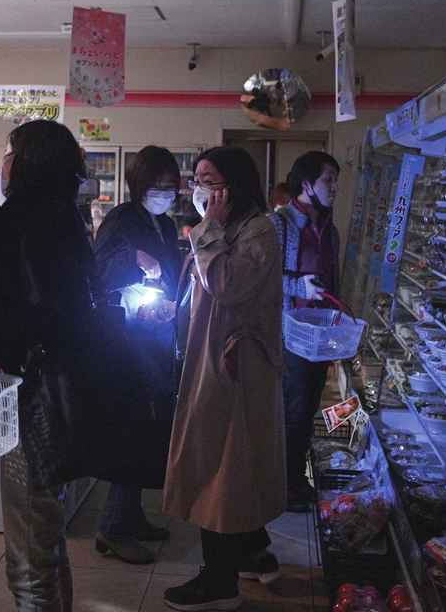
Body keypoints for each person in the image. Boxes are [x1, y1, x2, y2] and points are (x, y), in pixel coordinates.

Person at [0, 120, 93, 612]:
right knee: (42, 535)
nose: (3, 161)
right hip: (43, 387)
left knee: (30, 547)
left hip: (34, 393)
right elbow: (4, 235)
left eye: (8, 152)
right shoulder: (46, 211)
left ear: (29, 161)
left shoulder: (43, 217)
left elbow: (51, 311)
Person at [162, 146, 287, 611]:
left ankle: (219, 582)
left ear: (233, 183)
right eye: (196, 179)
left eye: (210, 179)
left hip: (233, 369)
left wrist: (206, 231)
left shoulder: (259, 229)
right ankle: (254, 554)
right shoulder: (236, 227)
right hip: (212, 362)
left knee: (220, 469)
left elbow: (228, 284)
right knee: (225, 466)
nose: (200, 189)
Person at [90, 146, 181, 564]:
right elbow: (99, 269)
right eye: (156, 187)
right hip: (128, 341)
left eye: (170, 187)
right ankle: (114, 526)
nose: (164, 194)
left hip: (155, 335)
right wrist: (132, 259)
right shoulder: (122, 219)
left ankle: (132, 514)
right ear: (139, 185)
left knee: (150, 428)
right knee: (133, 429)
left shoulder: (162, 222)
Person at [268, 151, 341, 513]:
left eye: (336, 179)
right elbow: (262, 276)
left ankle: (295, 481)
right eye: (329, 179)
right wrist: (300, 288)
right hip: (291, 334)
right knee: (293, 412)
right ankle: (282, 487)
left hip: (321, 335)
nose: (335, 187)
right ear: (307, 184)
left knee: (308, 408)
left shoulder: (330, 227)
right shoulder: (278, 224)